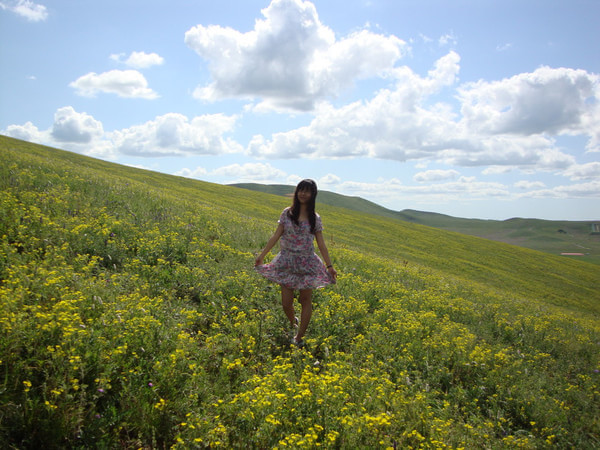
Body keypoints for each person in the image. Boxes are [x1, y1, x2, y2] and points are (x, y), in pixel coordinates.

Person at [255, 179, 337, 347]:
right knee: (286, 303)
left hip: (307, 264)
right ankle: (293, 321)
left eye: (307, 191)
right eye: (300, 190)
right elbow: (276, 235)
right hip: (286, 262)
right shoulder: (287, 213)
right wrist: (262, 255)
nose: (303, 193)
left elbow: (321, 244)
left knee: (305, 300)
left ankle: (299, 337)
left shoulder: (315, 218)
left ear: (313, 195)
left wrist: (330, 266)